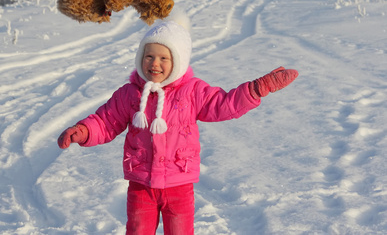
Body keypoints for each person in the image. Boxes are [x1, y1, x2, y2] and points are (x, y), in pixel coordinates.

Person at [57, 17, 298, 235]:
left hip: (179, 185)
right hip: (141, 184)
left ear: (178, 62)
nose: (155, 63)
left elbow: (223, 105)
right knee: (138, 231)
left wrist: (258, 88)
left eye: (164, 58)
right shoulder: (130, 93)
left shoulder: (192, 91)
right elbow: (106, 120)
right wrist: (84, 131)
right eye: (149, 56)